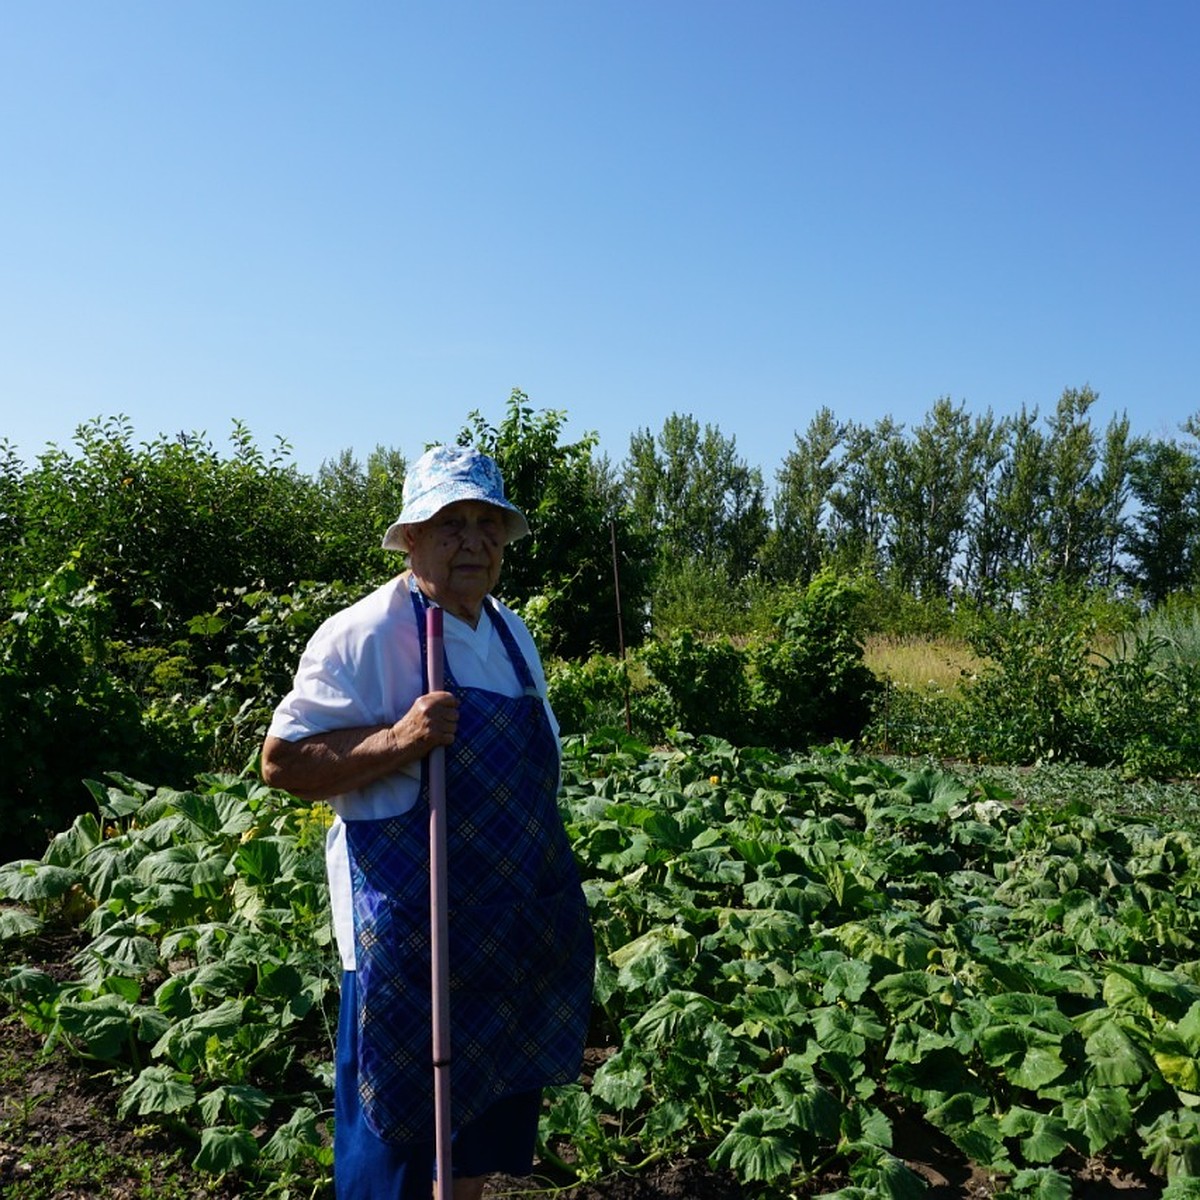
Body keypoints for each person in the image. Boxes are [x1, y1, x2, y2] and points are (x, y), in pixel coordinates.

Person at [261, 445, 594, 1200]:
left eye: (487, 524)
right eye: (450, 523)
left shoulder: (511, 634)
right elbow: (282, 762)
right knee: (399, 1145)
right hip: (411, 936)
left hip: (504, 931)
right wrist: (399, 739)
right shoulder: (365, 634)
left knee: (475, 1133)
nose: (472, 541)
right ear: (411, 535)